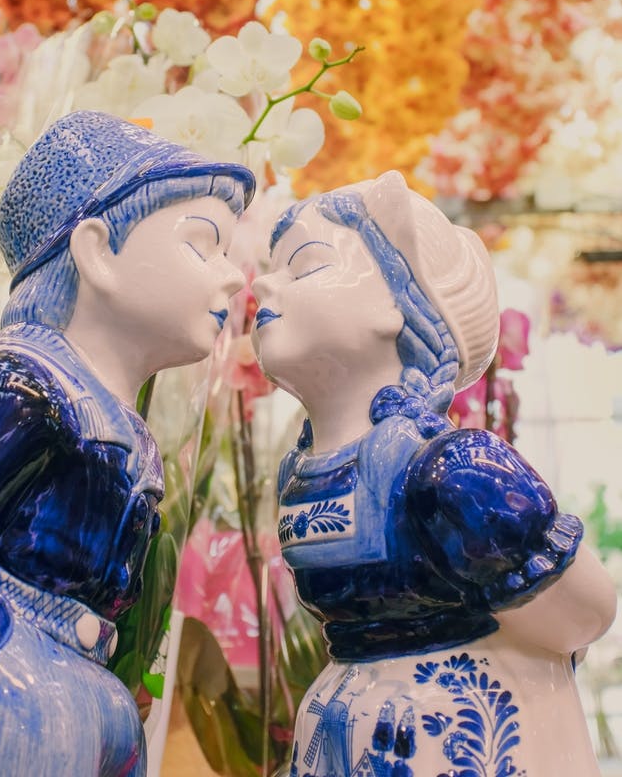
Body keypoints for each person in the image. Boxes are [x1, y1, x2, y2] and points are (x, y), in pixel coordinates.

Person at [0, 111, 254, 777]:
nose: (233, 277)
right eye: (205, 243)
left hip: (82, 691)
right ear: (98, 250)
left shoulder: (120, 427)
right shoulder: (20, 387)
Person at [251, 170, 616, 777]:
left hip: (455, 725)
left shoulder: (454, 471)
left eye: (303, 264)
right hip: (348, 727)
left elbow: (586, 612)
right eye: (271, 266)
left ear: (398, 306)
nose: (264, 282)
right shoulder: (301, 472)